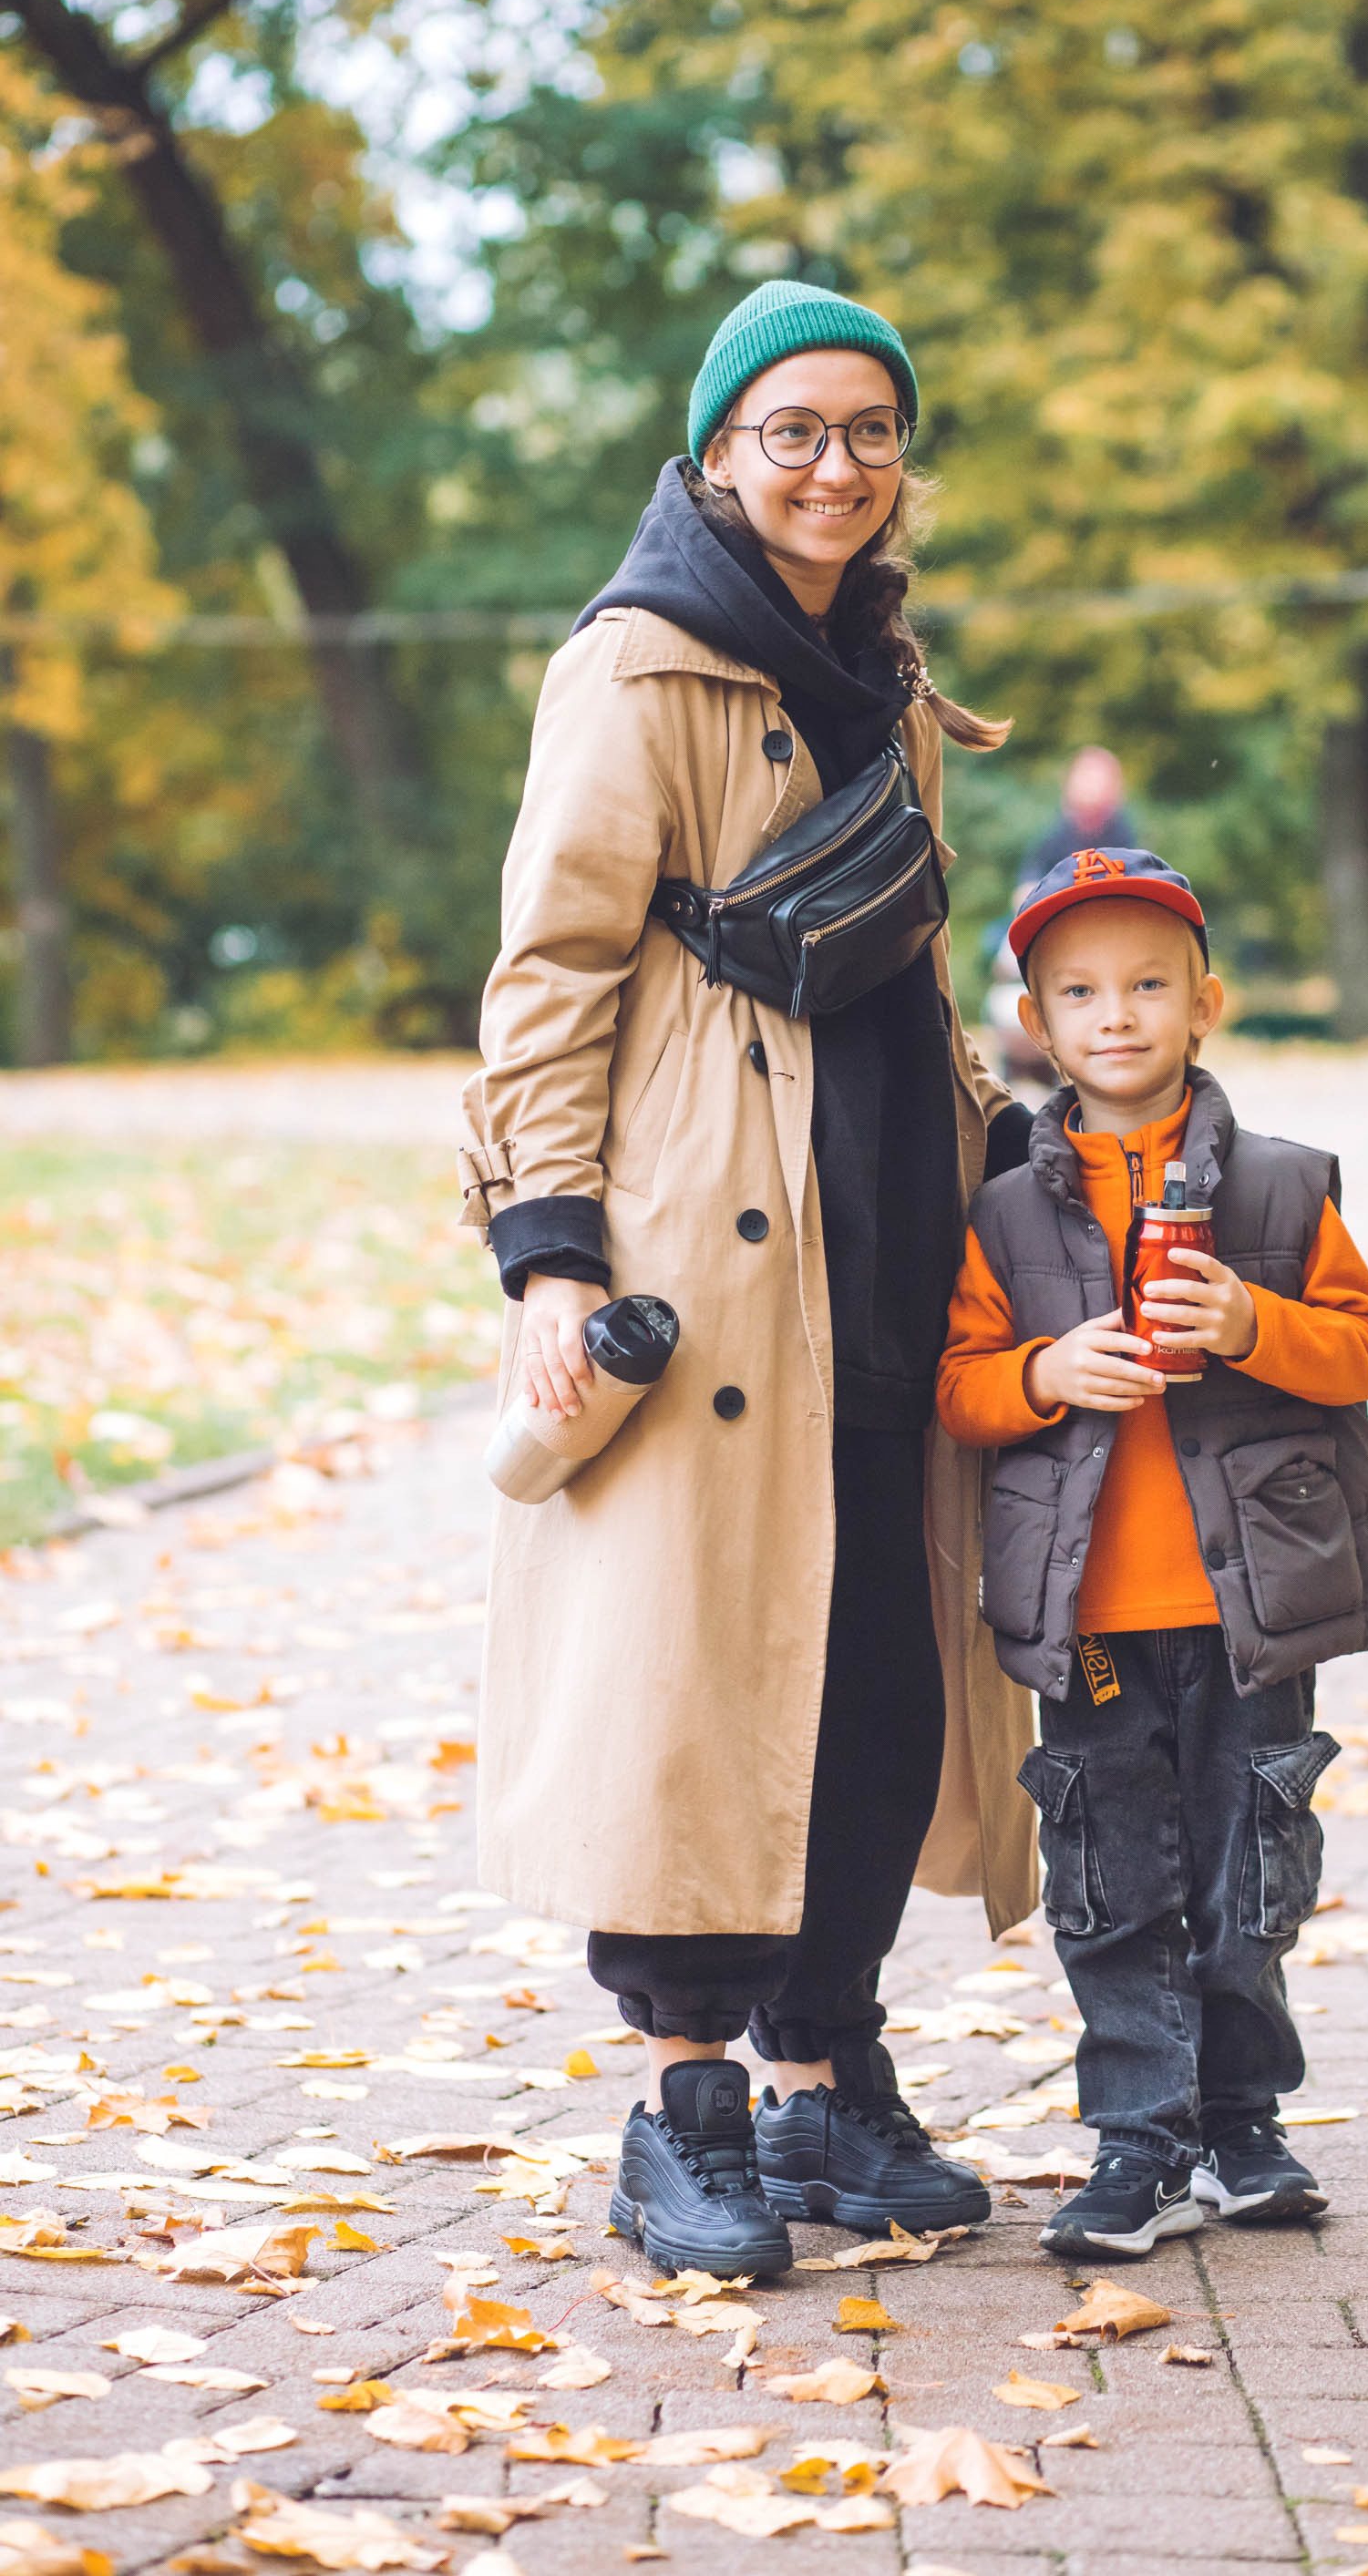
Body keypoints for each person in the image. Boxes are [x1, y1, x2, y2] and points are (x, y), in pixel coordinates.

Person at [459, 280, 1040, 2281]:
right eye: (792, 428)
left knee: (873, 1680)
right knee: (702, 1682)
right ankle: (680, 2105)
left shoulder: (884, 669)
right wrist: (545, 1252)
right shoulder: (638, 670)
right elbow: (550, 971)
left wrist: (1003, 1152)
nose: (834, 464)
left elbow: (912, 970)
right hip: (704, 1251)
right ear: (717, 449)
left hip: (887, 1229)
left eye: (870, 430)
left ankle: (824, 2088)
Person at [935, 845, 1368, 2256]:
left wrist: (1255, 1329)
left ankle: (1242, 2129)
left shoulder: (1272, 1187)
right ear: (1037, 1022)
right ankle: (1139, 2140)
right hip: (1088, 1617)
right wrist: (1044, 1372)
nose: (1116, 1013)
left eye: (1148, 984)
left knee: (1249, 1867)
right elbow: (959, 1386)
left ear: (1208, 1004)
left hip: (1249, 1604)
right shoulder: (1008, 1205)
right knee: (1110, 1880)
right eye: (1078, 991)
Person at [1016, 746, 1140, 894]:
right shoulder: (1054, 834)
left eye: (1097, 781)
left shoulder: (1123, 834)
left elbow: (1135, 878)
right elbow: (1029, 880)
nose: (1090, 789)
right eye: (1086, 779)